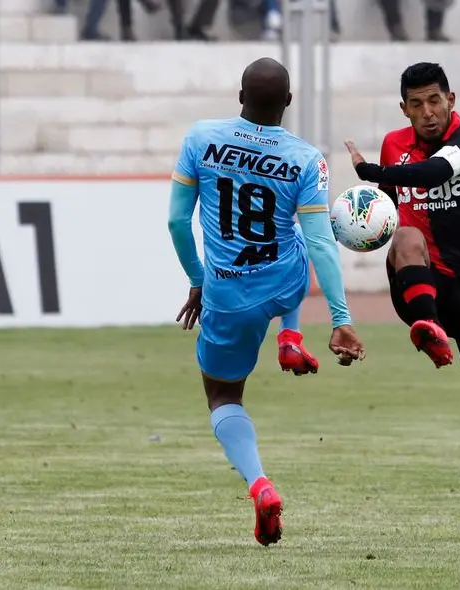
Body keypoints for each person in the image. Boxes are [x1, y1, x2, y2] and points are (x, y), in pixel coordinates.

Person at [168, 57, 366, 546]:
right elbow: (322, 243)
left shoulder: (200, 138)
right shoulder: (305, 158)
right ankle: (290, 336)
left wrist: (199, 280)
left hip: (228, 294)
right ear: (289, 103)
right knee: (297, 233)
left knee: (222, 396)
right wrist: (341, 318)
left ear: (240, 97)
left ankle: (259, 485)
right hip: (285, 283)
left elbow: (176, 222)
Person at [343, 62, 460, 543]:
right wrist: (361, 218)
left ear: (451, 99)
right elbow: (384, 212)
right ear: (404, 108)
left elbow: (436, 171)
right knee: (405, 234)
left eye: (435, 101)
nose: (427, 112)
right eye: (416, 104)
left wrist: (372, 171)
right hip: (420, 278)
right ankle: (427, 326)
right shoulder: (393, 146)